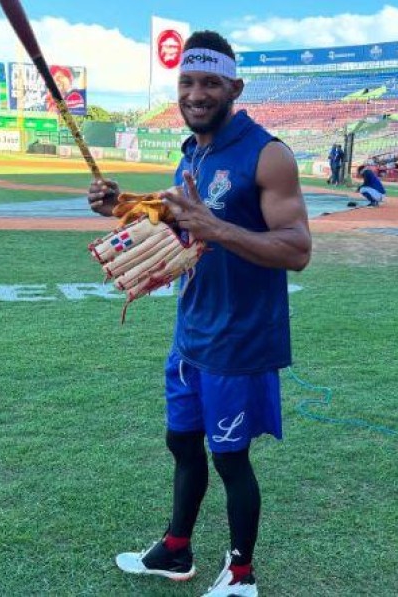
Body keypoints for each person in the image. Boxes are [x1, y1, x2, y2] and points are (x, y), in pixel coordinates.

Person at [87, 30, 311, 597]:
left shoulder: (268, 153)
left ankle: (240, 576)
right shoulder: (195, 151)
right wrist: (120, 205)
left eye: (210, 82)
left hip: (240, 342)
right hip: (192, 334)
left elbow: (297, 249)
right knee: (182, 443)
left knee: (230, 459)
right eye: (187, 82)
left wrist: (215, 228)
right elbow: (174, 215)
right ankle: (176, 549)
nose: (196, 93)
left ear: (234, 87)